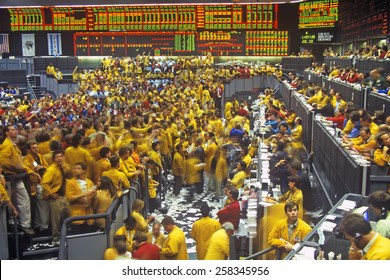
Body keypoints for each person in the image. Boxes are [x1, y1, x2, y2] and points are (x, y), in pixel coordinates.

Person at [0, 125, 33, 234]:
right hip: (12, 178)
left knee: (23, 200)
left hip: (17, 177)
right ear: (6, 133)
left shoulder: (12, 144)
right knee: (21, 201)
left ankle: (24, 224)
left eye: (15, 129)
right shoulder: (6, 145)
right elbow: (3, 162)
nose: (15, 131)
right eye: (12, 130)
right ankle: (23, 225)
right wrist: (16, 167)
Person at [41, 150, 71, 245]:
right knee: (56, 220)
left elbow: (61, 179)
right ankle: (56, 239)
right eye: (57, 157)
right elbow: (44, 183)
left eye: (61, 156)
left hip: (63, 196)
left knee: (67, 215)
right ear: (54, 159)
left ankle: (66, 235)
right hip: (55, 197)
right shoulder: (51, 169)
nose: (59, 158)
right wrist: (51, 193)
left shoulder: (60, 167)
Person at [23, 140, 50, 233]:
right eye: (34, 148)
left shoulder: (40, 156)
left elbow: (47, 166)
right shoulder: (27, 158)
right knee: (41, 206)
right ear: (29, 150)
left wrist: (42, 167)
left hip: (43, 183)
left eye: (37, 147)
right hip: (34, 185)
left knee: (42, 205)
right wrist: (34, 172)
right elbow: (26, 168)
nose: (36, 149)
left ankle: (41, 224)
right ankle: (42, 225)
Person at [66, 162, 96, 233]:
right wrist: (83, 194)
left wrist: (94, 195)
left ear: (84, 170)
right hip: (77, 216)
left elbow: (93, 197)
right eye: (75, 168)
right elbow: (69, 198)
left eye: (78, 168)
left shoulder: (90, 182)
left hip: (88, 216)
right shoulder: (71, 183)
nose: (76, 170)